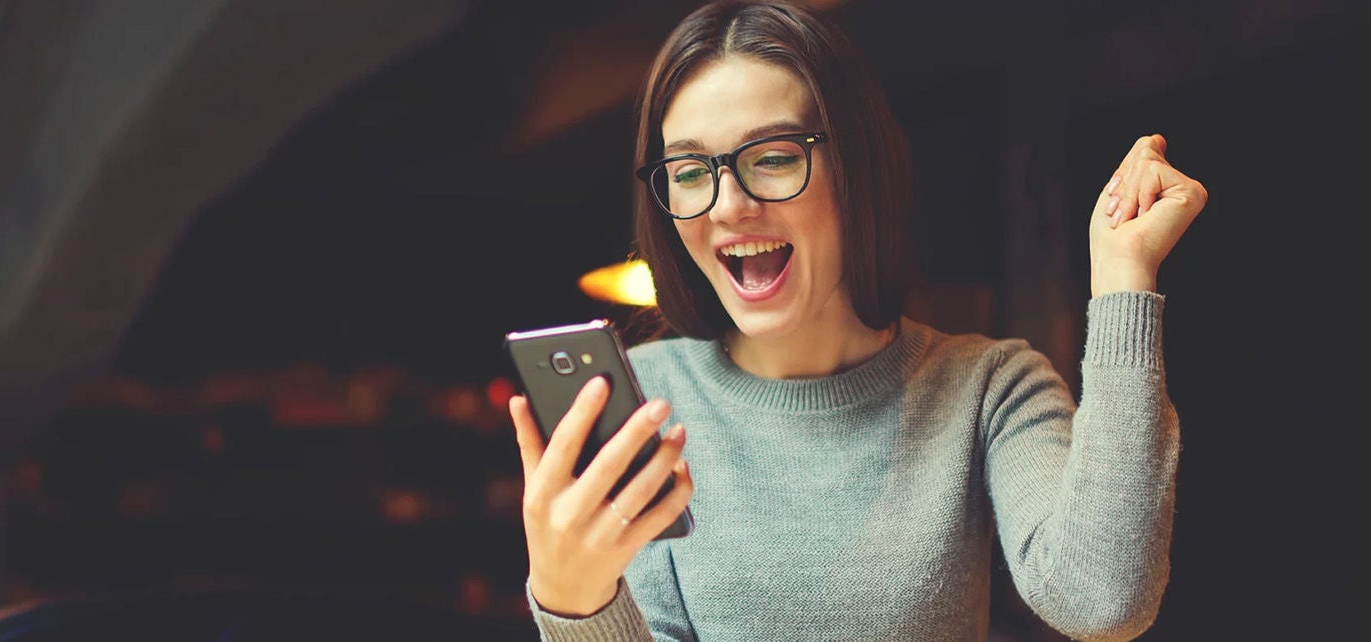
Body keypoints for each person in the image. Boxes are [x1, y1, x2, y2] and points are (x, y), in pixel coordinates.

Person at [506, 0, 1206, 640]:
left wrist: (1122, 282)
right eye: (690, 171)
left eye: (773, 157)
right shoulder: (641, 400)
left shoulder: (988, 387)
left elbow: (1102, 598)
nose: (726, 206)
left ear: (855, 168)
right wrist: (573, 601)